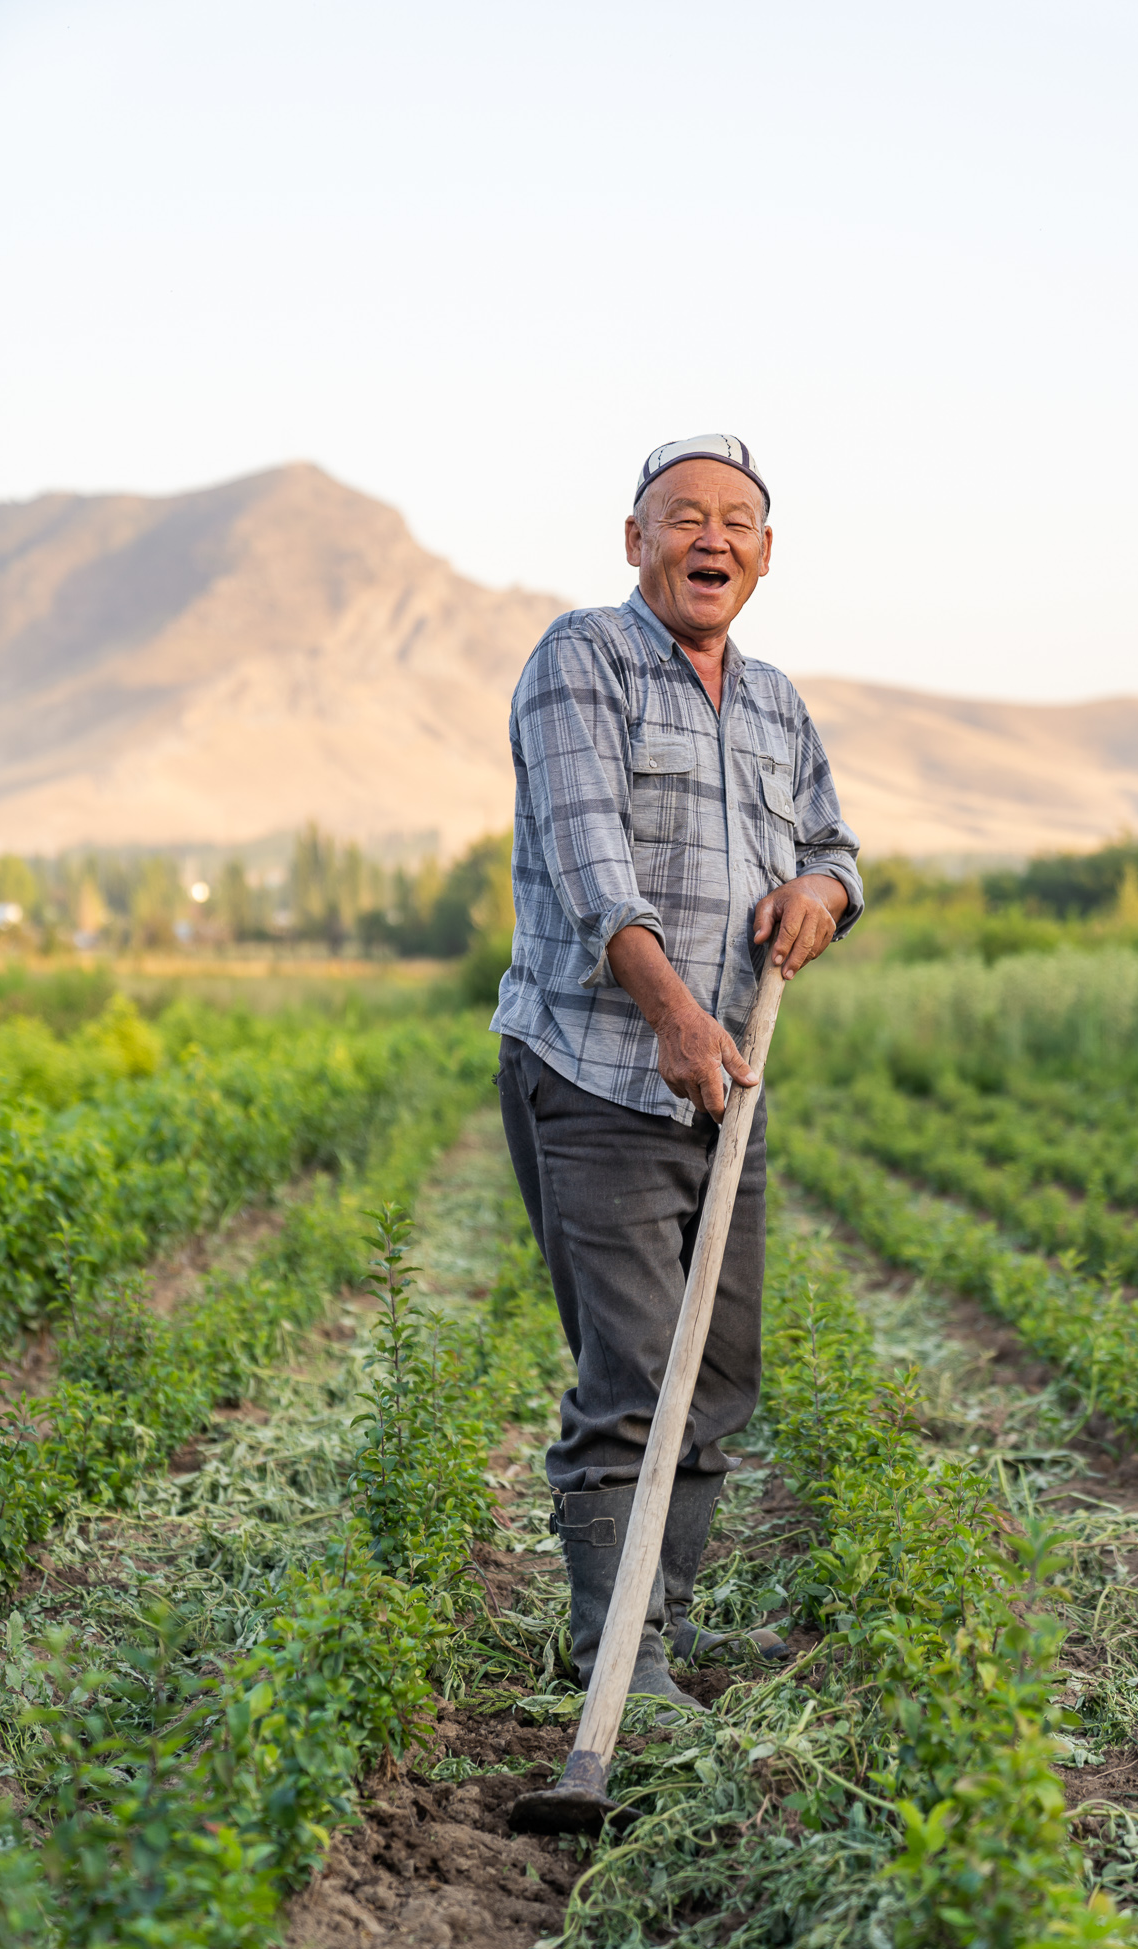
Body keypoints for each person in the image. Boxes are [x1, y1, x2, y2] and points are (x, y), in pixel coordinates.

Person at [492, 434, 863, 1709]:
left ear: (764, 554)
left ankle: (668, 1621)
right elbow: (591, 863)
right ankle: (619, 1658)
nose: (713, 538)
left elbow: (834, 842)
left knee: (717, 1368)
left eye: (737, 521)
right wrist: (670, 1012)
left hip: (728, 1082)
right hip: (599, 1070)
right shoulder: (580, 659)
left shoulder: (774, 703)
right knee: (637, 1368)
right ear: (634, 539)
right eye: (683, 516)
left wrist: (824, 886)